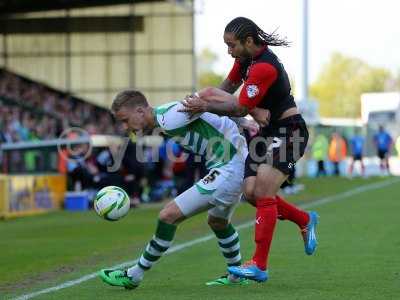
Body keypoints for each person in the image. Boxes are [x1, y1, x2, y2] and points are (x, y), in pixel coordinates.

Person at [180, 17, 318, 282]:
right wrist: (205, 101)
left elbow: (240, 108)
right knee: (251, 193)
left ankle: (259, 265)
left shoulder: (264, 67)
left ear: (249, 41)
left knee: (264, 191)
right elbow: (228, 89)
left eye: (231, 45)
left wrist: (206, 106)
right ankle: (304, 219)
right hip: (266, 132)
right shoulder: (245, 59)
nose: (229, 51)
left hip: (289, 131)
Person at [99, 89, 249, 289]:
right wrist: (240, 121)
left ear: (140, 111)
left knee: (167, 215)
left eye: (125, 120)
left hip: (229, 167)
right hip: (230, 163)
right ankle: (236, 275)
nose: (126, 127)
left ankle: (134, 275)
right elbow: (207, 111)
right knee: (218, 222)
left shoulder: (169, 117)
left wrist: (246, 113)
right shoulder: (165, 120)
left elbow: (206, 95)